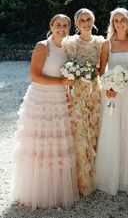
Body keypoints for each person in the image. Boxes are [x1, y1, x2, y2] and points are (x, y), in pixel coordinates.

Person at [11, 14, 78, 209]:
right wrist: (61, 83)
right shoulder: (43, 46)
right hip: (40, 99)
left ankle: (55, 190)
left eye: (65, 26)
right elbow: (34, 75)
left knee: (56, 145)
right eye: (58, 25)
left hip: (59, 100)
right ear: (51, 26)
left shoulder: (67, 47)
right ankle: (36, 192)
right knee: (39, 145)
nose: (62, 29)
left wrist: (67, 89)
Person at [95, 8, 128, 196]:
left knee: (127, 129)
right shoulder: (107, 44)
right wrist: (108, 87)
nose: (120, 23)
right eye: (116, 20)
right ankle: (108, 177)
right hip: (111, 94)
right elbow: (101, 71)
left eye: (123, 20)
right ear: (112, 23)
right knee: (111, 131)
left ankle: (126, 179)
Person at [62, 8, 104, 195]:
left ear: (93, 21)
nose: (86, 23)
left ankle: (96, 176)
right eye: (82, 20)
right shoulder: (70, 43)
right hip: (77, 92)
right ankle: (80, 181)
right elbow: (65, 68)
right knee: (79, 132)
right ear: (77, 23)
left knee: (94, 130)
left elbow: (102, 69)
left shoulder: (100, 42)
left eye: (89, 19)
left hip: (94, 91)